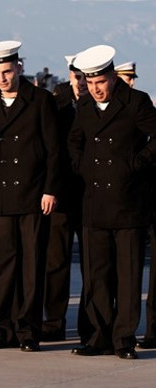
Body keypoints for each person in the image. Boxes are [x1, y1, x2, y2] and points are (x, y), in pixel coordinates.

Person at [0, 40, 61, 352]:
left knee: (32, 265)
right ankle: (2, 329)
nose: (2, 78)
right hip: (3, 197)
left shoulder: (41, 100)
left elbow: (53, 151)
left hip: (34, 194)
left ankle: (28, 331)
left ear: (19, 67)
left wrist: (50, 189)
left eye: (7, 71)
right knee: (3, 265)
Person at [68, 45, 156, 359]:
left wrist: (136, 164)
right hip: (95, 203)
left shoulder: (136, 102)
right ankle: (98, 338)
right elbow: (74, 140)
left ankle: (123, 340)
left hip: (128, 202)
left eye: (100, 82)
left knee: (129, 277)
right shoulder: (86, 106)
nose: (95, 89)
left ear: (112, 77)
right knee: (97, 277)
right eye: (90, 84)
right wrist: (83, 166)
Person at [42, 54, 89, 343]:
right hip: (61, 194)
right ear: (69, 75)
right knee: (56, 261)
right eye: (77, 76)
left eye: (86, 77)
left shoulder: (97, 105)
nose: (82, 83)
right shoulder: (55, 105)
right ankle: (54, 322)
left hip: (90, 194)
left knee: (91, 263)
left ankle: (89, 323)